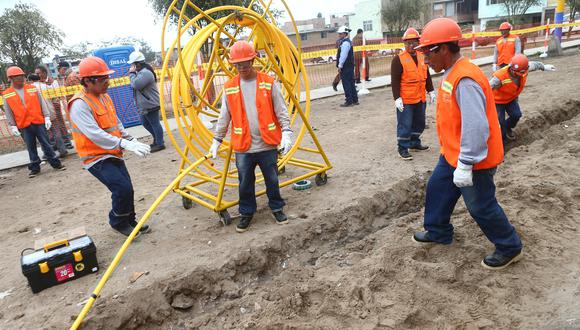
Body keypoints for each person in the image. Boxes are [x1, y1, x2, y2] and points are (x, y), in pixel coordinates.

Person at [413, 18, 523, 270]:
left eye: (427, 53)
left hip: (474, 159)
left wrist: (465, 163)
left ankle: (510, 246)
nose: (425, 59)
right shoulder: (453, 72)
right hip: (452, 153)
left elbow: (476, 127)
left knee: (480, 205)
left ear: (443, 49)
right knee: (438, 188)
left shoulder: (465, 79)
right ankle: (438, 230)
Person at [209, 41, 293, 233]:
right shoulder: (230, 87)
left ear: (253, 59)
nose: (242, 67)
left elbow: (281, 110)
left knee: (272, 178)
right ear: (233, 65)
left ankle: (277, 208)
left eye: (245, 63)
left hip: (266, 144)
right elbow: (224, 116)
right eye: (238, 64)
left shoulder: (268, 83)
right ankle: (246, 213)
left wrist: (286, 132)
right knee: (245, 181)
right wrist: (217, 139)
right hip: (244, 147)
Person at [68, 56, 152, 237]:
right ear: (87, 81)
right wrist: (123, 143)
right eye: (102, 78)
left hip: (113, 151)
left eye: (107, 77)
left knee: (127, 187)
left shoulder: (104, 97)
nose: (108, 81)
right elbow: (94, 134)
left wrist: (131, 139)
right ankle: (118, 221)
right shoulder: (79, 104)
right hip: (96, 157)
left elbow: (116, 123)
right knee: (121, 188)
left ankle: (130, 219)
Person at [2, 66, 66, 178]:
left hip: (38, 121)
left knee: (46, 144)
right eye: (18, 77)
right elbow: (8, 111)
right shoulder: (7, 94)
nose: (21, 79)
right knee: (30, 147)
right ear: (11, 79)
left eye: (22, 76)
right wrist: (13, 126)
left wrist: (46, 117)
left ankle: (56, 163)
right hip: (23, 125)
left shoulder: (32, 88)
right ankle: (35, 167)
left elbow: (42, 104)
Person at [390, 27, 435, 160]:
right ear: (404, 44)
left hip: (420, 98)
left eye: (414, 42)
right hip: (406, 100)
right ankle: (402, 147)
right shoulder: (398, 60)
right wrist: (397, 98)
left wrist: (431, 90)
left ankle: (415, 143)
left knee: (419, 123)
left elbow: (427, 75)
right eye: (408, 43)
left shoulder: (423, 56)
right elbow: (395, 81)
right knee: (405, 124)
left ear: (418, 42)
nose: (411, 45)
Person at [490, 54, 556, 141]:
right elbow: (487, 88)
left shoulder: (524, 69)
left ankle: (508, 127)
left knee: (516, 115)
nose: (519, 75)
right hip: (497, 101)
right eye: (517, 73)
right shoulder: (499, 78)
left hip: (510, 99)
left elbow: (535, 65)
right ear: (511, 68)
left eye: (522, 73)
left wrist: (544, 67)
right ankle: (503, 143)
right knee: (500, 123)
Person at [127, 51, 165, 152]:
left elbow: (136, 84)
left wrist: (131, 74)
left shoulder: (145, 73)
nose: (131, 66)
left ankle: (160, 143)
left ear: (138, 64)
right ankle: (157, 140)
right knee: (146, 123)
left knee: (154, 123)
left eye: (133, 64)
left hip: (150, 103)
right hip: (146, 104)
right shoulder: (141, 72)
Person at [35, 65, 71, 155]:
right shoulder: (38, 84)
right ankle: (55, 145)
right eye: (36, 74)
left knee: (60, 124)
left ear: (44, 73)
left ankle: (67, 142)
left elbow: (57, 94)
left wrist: (56, 102)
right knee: (50, 128)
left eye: (38, 73)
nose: (37, 75)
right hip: (46, 108)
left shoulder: (53, 82)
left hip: (55, 106)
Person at [336, 26, 359, 107]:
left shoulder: (345, 43)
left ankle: (349, 101)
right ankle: (355, 100)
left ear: (345, 34)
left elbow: (343, 55)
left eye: (340, 33)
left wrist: (340, 65)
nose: (339, 35)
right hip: (350, 66)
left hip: (346, 67)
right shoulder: (348, 42)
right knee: (351, 83)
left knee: (347, 84)